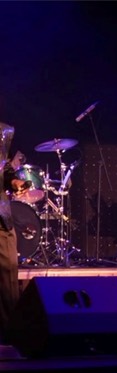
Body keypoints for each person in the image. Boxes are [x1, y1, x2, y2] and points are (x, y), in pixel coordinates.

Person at [0, 122, 31, 343]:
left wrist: (13, 181)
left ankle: (9, 331)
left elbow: (4, 169)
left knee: (8, 270)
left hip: (1, 215)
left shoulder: (4, 132)